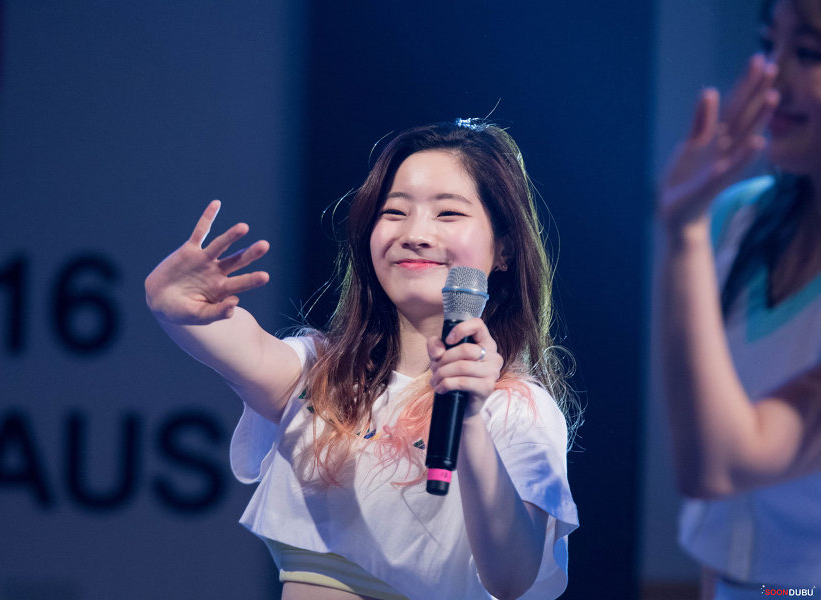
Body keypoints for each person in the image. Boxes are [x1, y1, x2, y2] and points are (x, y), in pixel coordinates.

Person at [145, 120, 578, 600]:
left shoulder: (517, 410)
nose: (415, 233)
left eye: (448, 213)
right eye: (395, 211)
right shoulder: (323, 377)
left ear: (504, 248)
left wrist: (471, 421)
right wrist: (170, 305)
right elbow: (244, 345)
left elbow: (512, 577)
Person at [655, 0, 821, 597]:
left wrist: (685, 233)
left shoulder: (703, 226)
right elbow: (722, 518)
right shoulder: (738, 216)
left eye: (808, 51)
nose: (773, 75)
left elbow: (721, 464)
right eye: (769, 44)